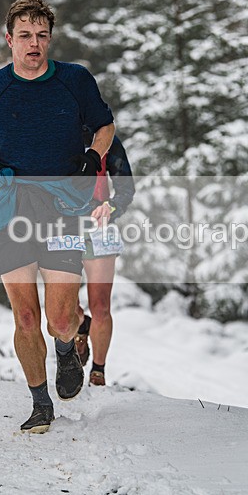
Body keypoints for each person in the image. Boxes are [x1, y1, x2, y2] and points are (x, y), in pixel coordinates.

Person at [0, 0, 115, 433]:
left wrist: (94, 157)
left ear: (50, 39)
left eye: (41, 35)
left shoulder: (75, 81)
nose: (34, 44)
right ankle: (41, 403)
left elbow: (105, 125)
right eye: (25, 36)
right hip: (11, 206)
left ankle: (66, 344)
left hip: (64, 207)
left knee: (59, 318)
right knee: (23, 316)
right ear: (9, 40)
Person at [74, 130, 135, 387]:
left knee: (100, 306)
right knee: (64, 307)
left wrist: (111, 207)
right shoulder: (52, 131)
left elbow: (125, 188)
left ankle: (98, 372)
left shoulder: (108, 140)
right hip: (60, 226)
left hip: (99, 227)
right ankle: (80, 326)